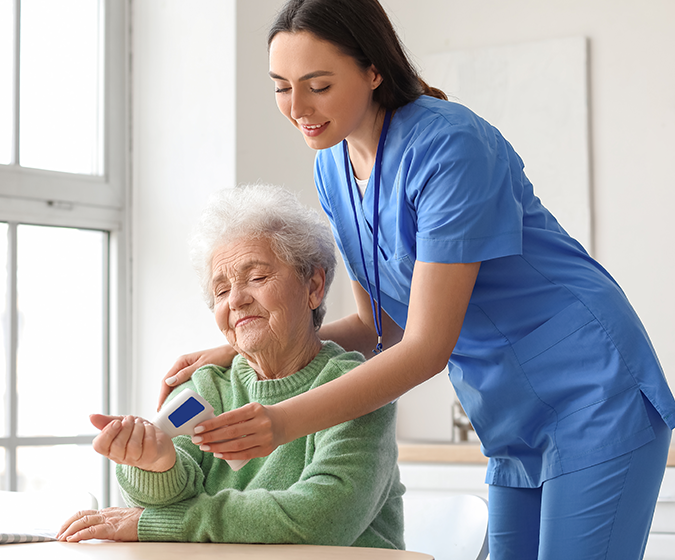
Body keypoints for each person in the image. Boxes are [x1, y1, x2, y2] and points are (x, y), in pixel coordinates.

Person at [159, 1, 675, 558]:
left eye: (319, 85)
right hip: (508, 411)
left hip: (591, 388)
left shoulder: (450, 146)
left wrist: (280, 421)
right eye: (282, 87)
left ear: (373, 70)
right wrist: (235, 350)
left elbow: (427, 347)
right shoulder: (332, 165)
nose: (298, 108)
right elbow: (380, 325)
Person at [58, 184, 405, 548]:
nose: (236, 300)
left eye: (257, 278)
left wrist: (161, 523)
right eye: (221, 291)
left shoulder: (357, 389)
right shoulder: (205, 387)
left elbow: (320, 520)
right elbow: (166, 500)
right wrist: (156, 464)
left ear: (313, 287)